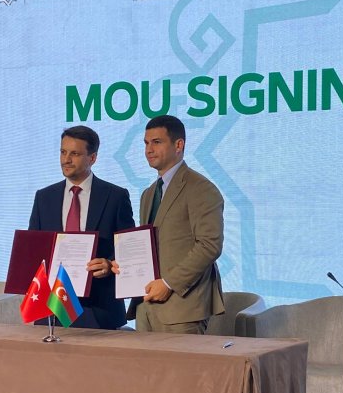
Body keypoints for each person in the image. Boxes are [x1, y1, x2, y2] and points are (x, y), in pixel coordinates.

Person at [119, 114, 224, 334]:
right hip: (146, 306)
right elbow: (150, 246)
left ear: (179, 145)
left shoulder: (201, 188)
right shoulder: (149, 193)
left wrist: (168, 283)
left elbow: (209, 245)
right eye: (146, 143)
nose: (149, 150)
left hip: (182, 308)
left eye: (157, 142)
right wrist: (123, 264)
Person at [27, 125, 136, 329]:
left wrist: (109, 264)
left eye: (74, 154)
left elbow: (128, 247)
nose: (66, 159)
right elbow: (34, 250)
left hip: (99, 310)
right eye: (63, 152)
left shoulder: (115, 196)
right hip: (52, 310)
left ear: (92, 158)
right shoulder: (44, 197)